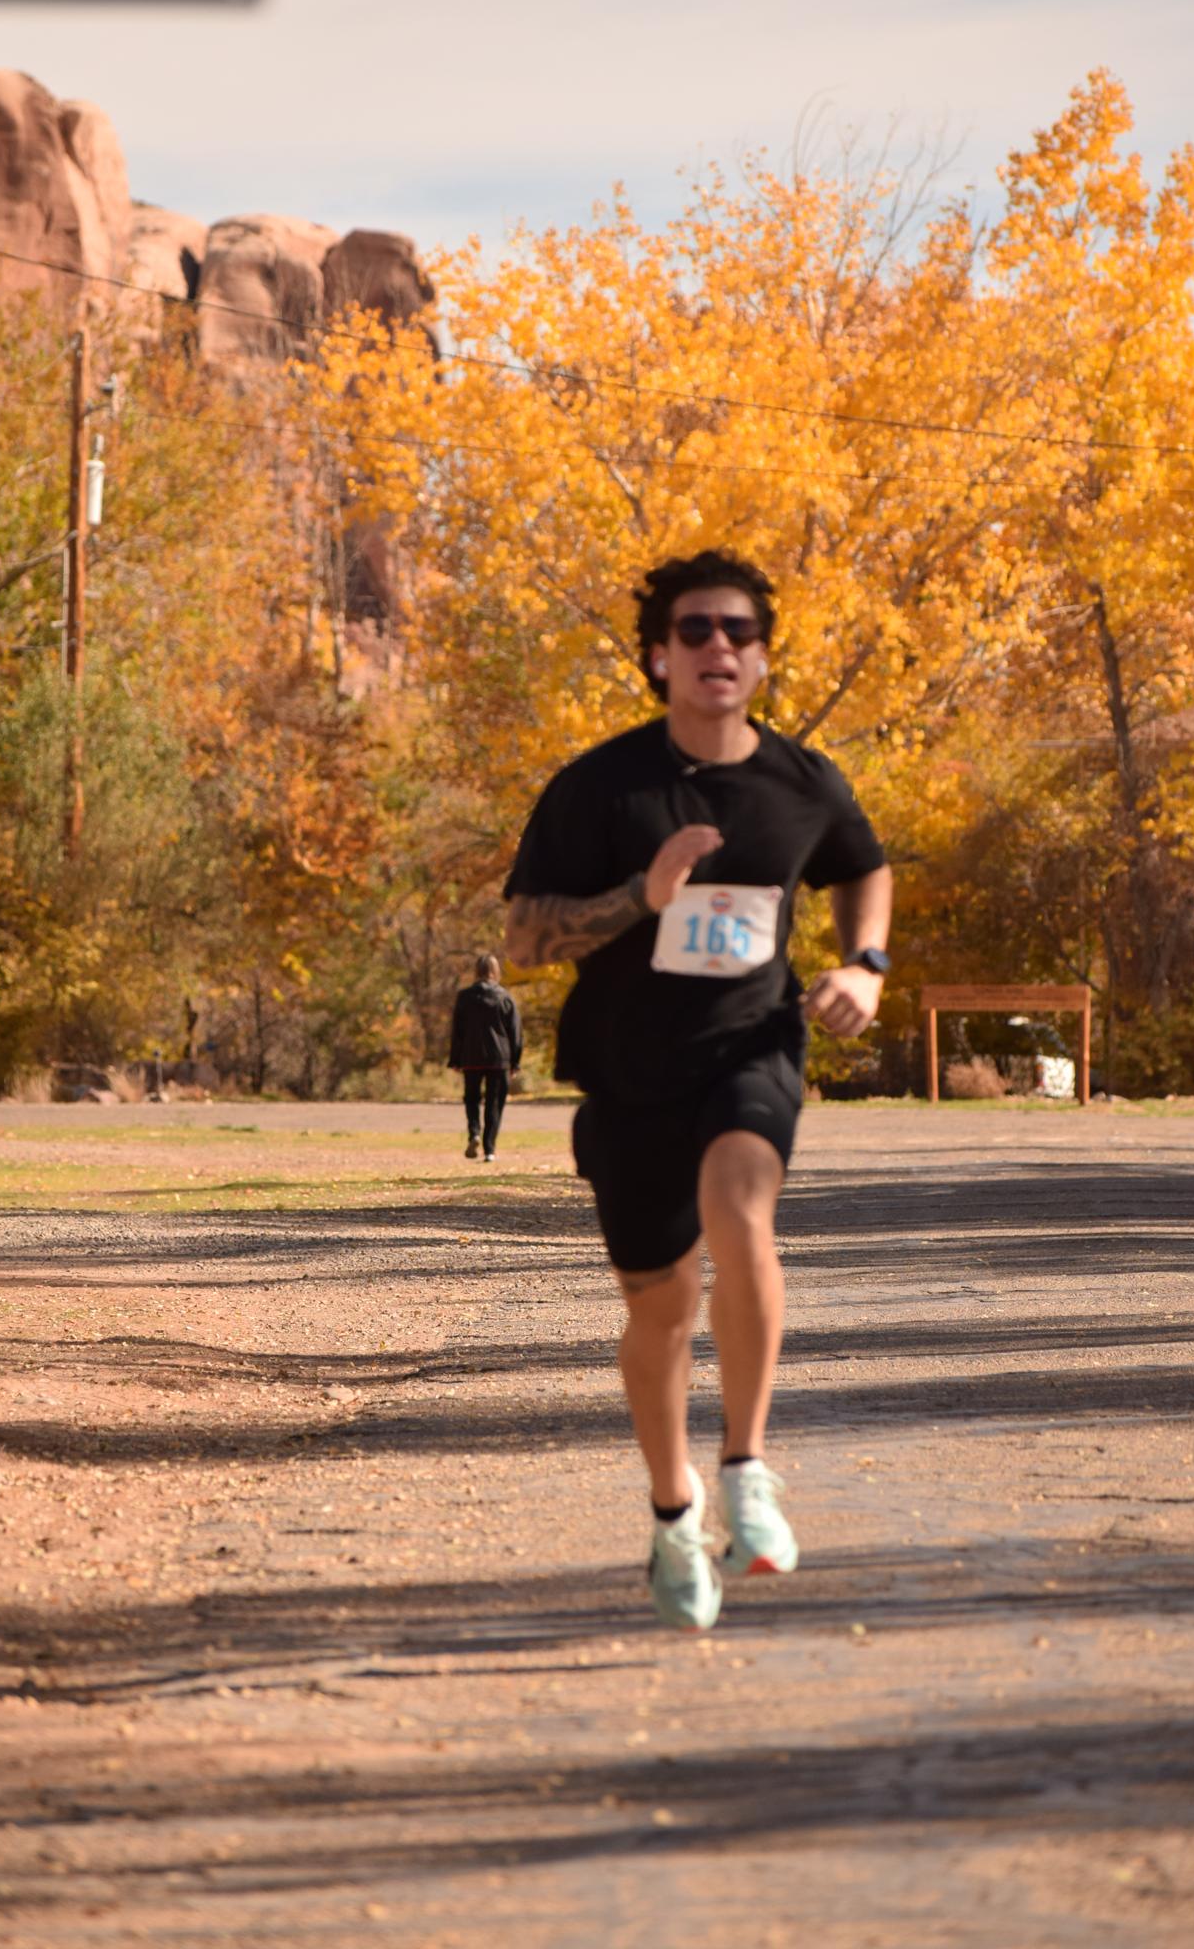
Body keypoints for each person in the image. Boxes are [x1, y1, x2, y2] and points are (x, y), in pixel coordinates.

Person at [503, 550, 892, 1631]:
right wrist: (643, 892)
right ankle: (675, 1512)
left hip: (751, 1048)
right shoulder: (603, 786)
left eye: (738, 630)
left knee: (741, 1205)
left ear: (761, 658)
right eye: (694, 630)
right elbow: (524, 937)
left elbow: (864, 863)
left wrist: (866, 963)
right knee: (662, 1309)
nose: (718, 645)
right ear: (658, 657)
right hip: (628, 1076)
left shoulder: (803, 783)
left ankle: (747, 1468)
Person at [448, 954, 523, 1162]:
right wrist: (515, 1061)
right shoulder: (505, 997)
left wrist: (455, 1058)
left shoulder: (465, 997)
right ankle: (490, 1149)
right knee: (494, 1103)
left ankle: (474, 1133)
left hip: (471, 1056)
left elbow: (458, 1031)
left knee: (471, 1098)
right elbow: (515, 1031)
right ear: (495, 971)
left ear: (477, 971)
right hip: (499, 1058)